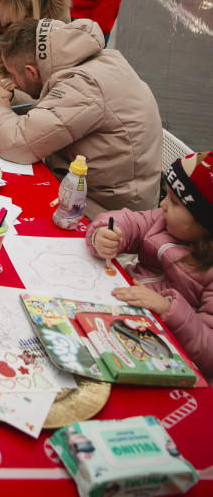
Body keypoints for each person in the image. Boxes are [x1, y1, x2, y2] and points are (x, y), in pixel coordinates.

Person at [0, 17, 162, 218]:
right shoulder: (97, 61)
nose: (12, 81)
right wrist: (13, 99)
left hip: (111, 215)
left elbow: (16, 144)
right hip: (108, 194)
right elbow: (65, 114)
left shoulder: (84, 85)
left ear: (31, 72)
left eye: (13, 75)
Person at [86, 151, 213, 376]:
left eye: (174, 202)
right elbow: (133, 222)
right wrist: (106, 232)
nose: (162, 205)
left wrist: (167, 308)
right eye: (167, 195)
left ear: (205, 224)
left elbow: (208, 351)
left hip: (155, 349)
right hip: (118, 305)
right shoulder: (165, 221)